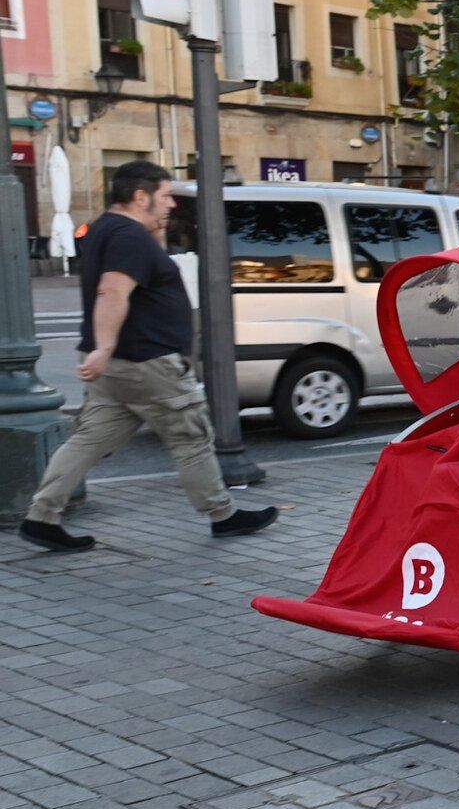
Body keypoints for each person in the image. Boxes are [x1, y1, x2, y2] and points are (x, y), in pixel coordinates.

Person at [20, 161, 277, 553]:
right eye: (165, 195)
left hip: (122, 365)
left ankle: (41, 517)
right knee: (191, 435)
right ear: (140, 197)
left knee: (88, 440)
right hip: (147, 360)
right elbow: (112, 292)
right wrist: (105, 348)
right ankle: (222, 514)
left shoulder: (107, 229)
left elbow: (137, 283)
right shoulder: (128, 237)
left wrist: (104, 350)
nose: (172, 203)